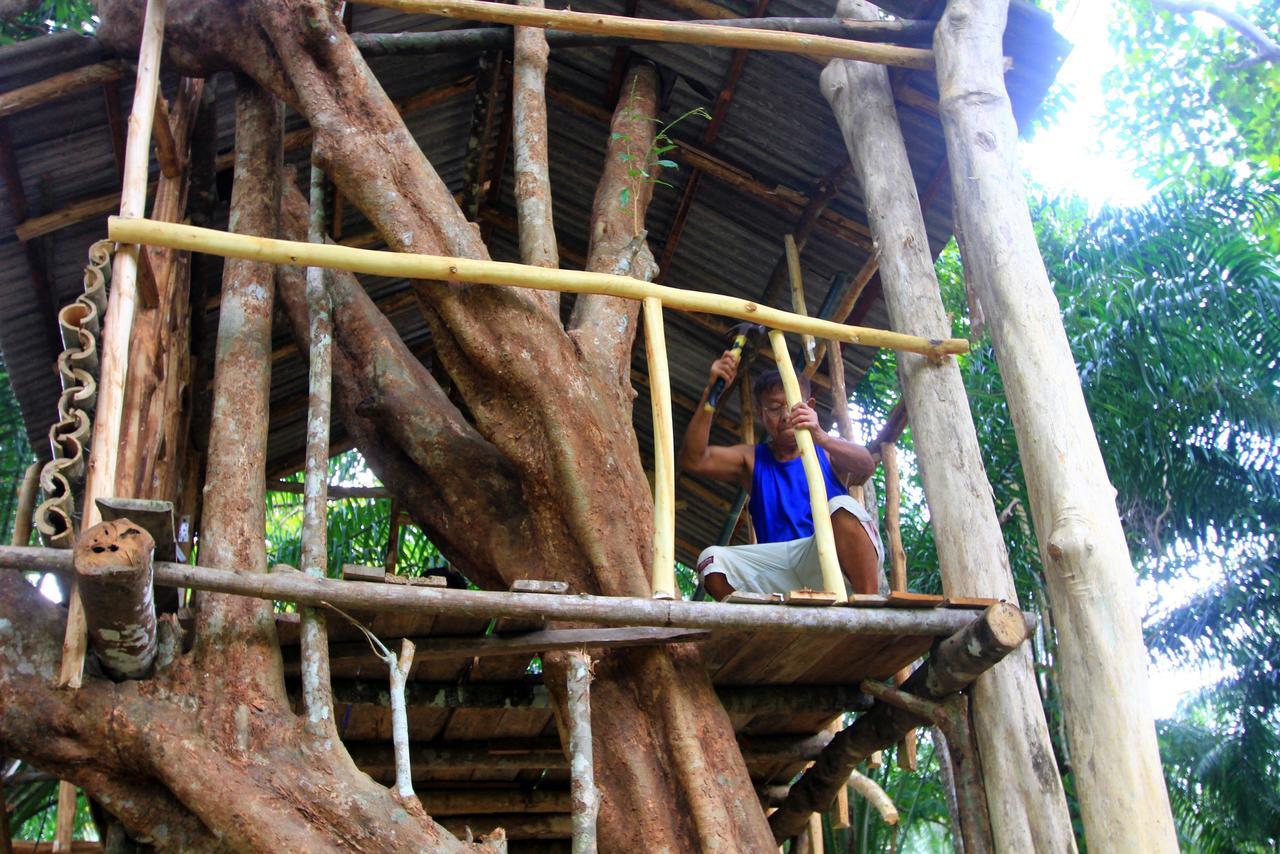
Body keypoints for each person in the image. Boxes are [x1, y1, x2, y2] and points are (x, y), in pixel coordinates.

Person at [678, 350, 884, 600]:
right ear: (761, 415)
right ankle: (761, 626)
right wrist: (712, 390)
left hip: (827, 565)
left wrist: (821, 436)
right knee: (711, 560)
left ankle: (867, 608)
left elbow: (866, 465)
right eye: (775, 408)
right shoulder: (752, 459)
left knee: (843, 506)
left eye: (792, 405)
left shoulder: (827, 451)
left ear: (810, 407)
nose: (785, 416)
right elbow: (693, 459)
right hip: (779, 574)